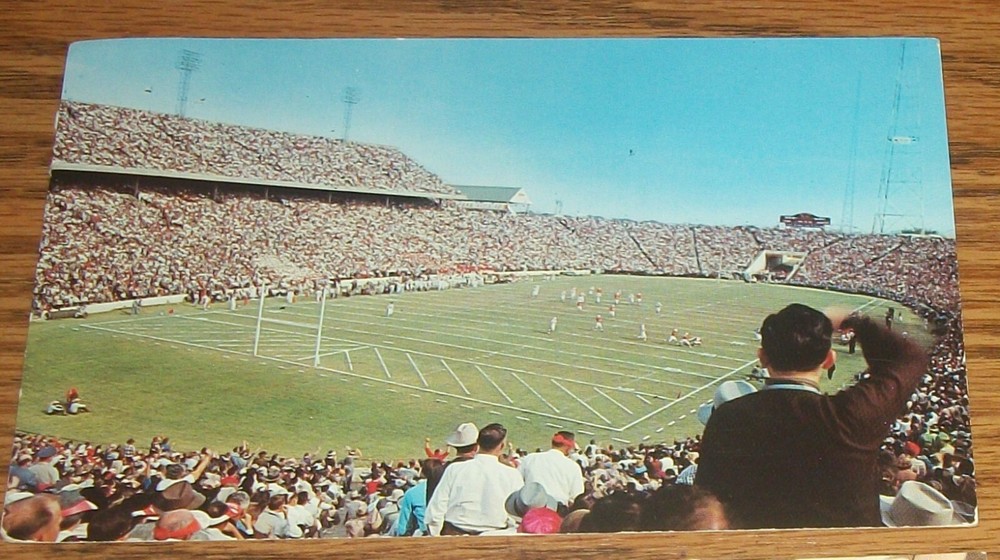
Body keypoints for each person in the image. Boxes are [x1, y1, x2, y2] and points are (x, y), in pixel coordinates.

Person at [695, 304, 927, 529]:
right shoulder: (851, 415)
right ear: (829, 360)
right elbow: (910, 359)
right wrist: (856, 321)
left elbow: (704, 500)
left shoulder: (728, 417)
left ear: (763, 357)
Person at [425, 423, 524, 535]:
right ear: (501, 446)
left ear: (477, 445)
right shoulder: (511, 474)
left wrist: (435, 535)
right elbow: (516, 514)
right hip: (496, 536)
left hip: (455, 535)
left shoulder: (455, 469)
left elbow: (437, 506)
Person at [516, 431, 585, 511]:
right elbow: (576, 496)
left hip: (529, 506)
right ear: (569, 448)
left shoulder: (530, 458)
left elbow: (517, 482)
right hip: (556, 511)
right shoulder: (573, 467)